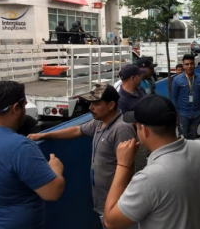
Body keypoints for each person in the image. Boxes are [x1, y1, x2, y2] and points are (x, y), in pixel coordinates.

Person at [28, 83, 145, 228]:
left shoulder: (121, 129)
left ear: (111, 105)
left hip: (117, 202)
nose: (90, 108)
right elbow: (77, 130)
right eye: (90, 104)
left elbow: (128, 165)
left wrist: (120, 202)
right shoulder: (99, 123)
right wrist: (45, 135)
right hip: (103, 200)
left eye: (96, 104)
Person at [103, 95, 200, 229]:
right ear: (175, 121)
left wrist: (122, 164)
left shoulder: (149, 178)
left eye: (136, 127)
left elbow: (110, 221)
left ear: (144, 130)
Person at [0, 81, 65, 228]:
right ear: (16, 108)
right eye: (24, 105)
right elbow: (52, 192)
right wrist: (55, 168)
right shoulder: (19, 147)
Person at [171, 54, 200, 139]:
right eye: (186, 64)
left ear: (194, 64)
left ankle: (190, 152)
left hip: (196, 113)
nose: (189, 66)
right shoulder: (177, 80)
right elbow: (173, 98)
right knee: (182, 138)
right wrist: (175, 114)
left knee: (192, 136)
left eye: (191, 64)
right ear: (183, 66)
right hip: (183, 114)